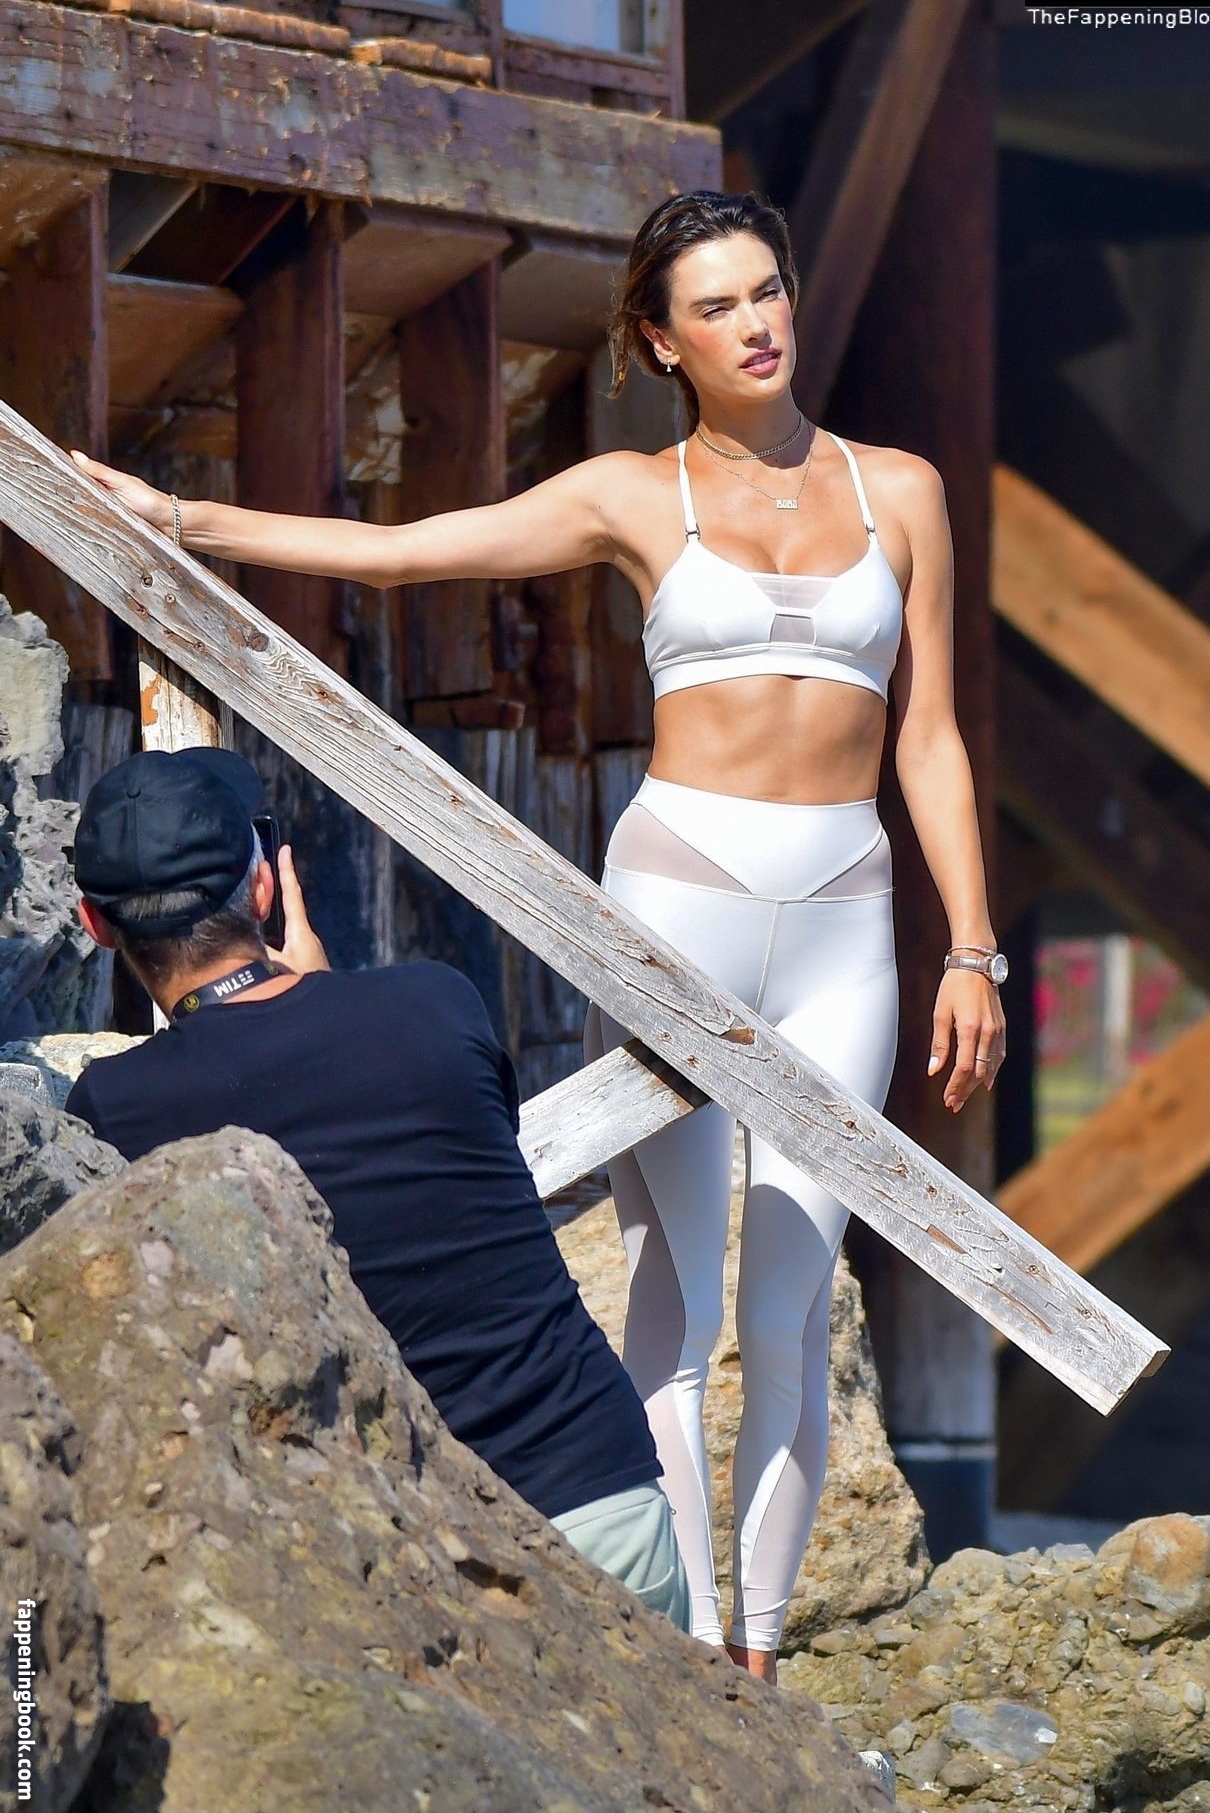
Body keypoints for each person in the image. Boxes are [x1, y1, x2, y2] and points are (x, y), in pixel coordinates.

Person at [69, 186, 1007, 1682]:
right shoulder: (632, 495)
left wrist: (970, 948)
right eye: (715, 306)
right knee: (675, 1294)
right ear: (661, 339)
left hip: (846, 914)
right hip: (677, 903)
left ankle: (758, 1661)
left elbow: (932, 736)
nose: (754, 324)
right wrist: (187, 520)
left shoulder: (902, 490)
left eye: (765, 291)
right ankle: (677, 1650)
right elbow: (416, 548)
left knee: (788, 1301)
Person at [63, 745, 691, 1633]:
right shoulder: (436, 1004)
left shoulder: (113, 1111)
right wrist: (318, 993)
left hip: (393, 1562)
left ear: (95, 924)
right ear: (266, 889)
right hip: (596, 1503)